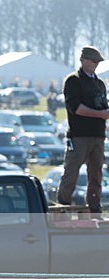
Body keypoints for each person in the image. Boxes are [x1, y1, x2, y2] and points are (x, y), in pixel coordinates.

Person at [57, 46, 109, 215]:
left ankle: (95, 208)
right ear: (83, 60)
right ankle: (62, 207)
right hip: (79, 135)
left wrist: (104, 114)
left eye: (97, 62)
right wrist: (100, 114)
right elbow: (75, 108)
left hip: (98, 136)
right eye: (93, 61)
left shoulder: (100, 84)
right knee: (71, 173)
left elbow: (103, 105)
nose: (95, 64)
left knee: (96, 175)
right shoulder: (73, 81)